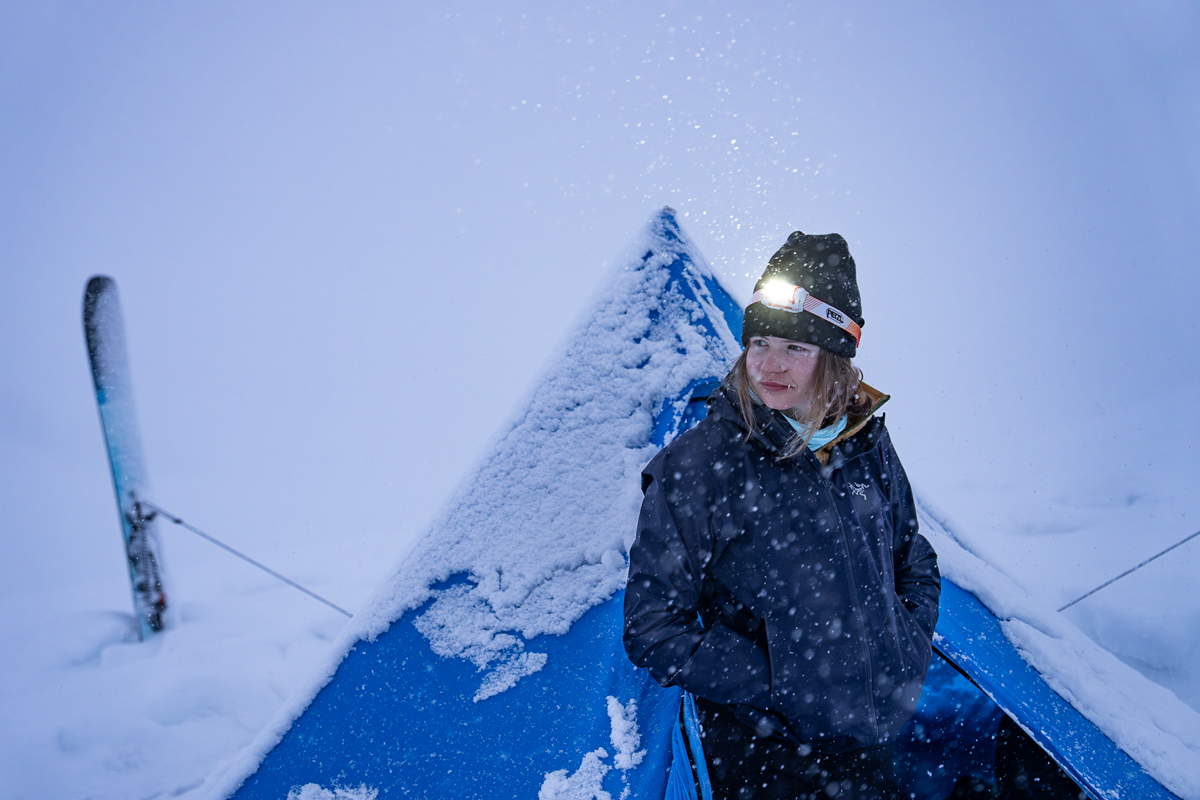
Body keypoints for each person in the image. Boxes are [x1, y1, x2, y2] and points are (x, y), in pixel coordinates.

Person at [623, 231, 940, 800]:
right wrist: (781, 684)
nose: (769, 365)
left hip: (870, 741)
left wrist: (902, 649)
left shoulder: (863, 440)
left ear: (834, 357)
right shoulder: (699, 466)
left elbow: (911, 556)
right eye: (760, 342)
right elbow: (652, 629)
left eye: (796, 348)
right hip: (764, 756)